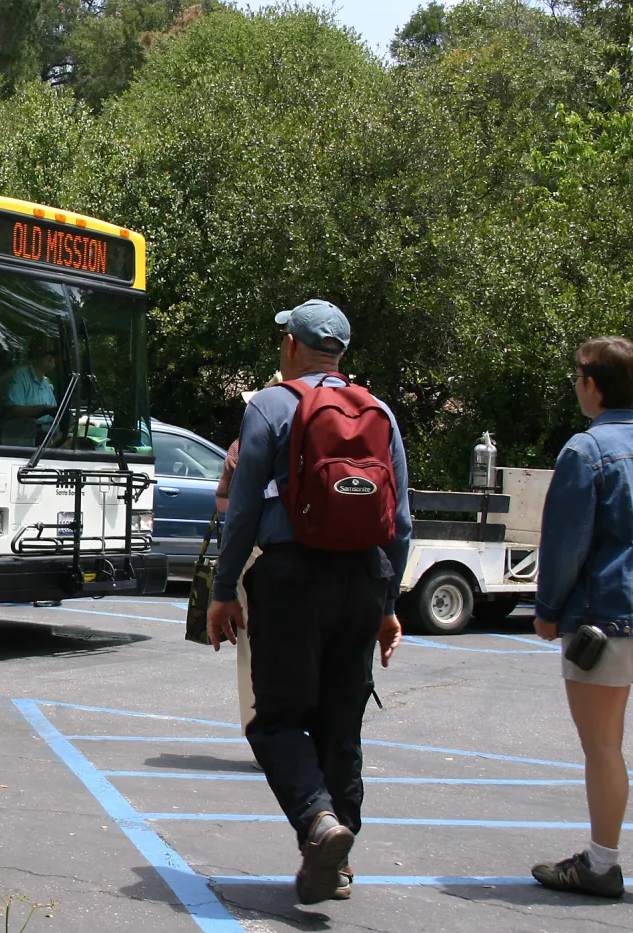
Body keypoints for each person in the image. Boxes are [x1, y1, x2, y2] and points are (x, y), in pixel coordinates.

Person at [206, 299, 410, 905]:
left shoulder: (270, 405)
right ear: (340, 353)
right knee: (340, 725)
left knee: (274, 720)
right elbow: (400, 522)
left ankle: (319, 824)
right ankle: (336, 863)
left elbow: (243, 509)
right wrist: (387, 604)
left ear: (291, 345)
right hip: (363, 580)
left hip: (290, 580)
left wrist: (223, 590)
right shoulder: (379, 412)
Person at [530, 336, 633, 899]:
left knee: (603, 747)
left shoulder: (586, 450)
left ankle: (601, 864)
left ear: (592, 385)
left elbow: (566, 543)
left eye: (577, 376)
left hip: (607, 618)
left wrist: (548, 611)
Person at [215, 373, 281, 747]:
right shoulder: (322, 438)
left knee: (252, 649)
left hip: (257, 555)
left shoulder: (244, 445)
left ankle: (261, 735)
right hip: (319, 558)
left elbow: (225, 503)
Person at [0, 339, 60, 446]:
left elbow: (54, 413)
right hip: (24, 439)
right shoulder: (19, 376)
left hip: (47, 437)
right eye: (48, 352)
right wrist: (43, 409)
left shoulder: (46, 384)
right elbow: (13, 411)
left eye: (54, 353)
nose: (52, 357)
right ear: (35, 353)